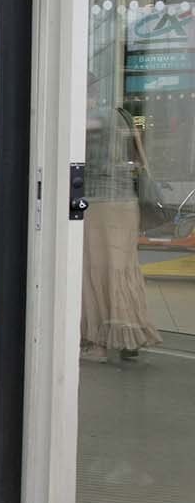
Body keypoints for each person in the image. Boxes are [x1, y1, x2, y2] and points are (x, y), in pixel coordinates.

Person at [80, 76, 160, 362]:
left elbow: (87, 164)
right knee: (122, 269)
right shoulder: (120, 116)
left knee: (96, 270)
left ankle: (96, 343)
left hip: (99, 204)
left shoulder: (89, 120)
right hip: (125, 202)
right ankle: (129, 335)